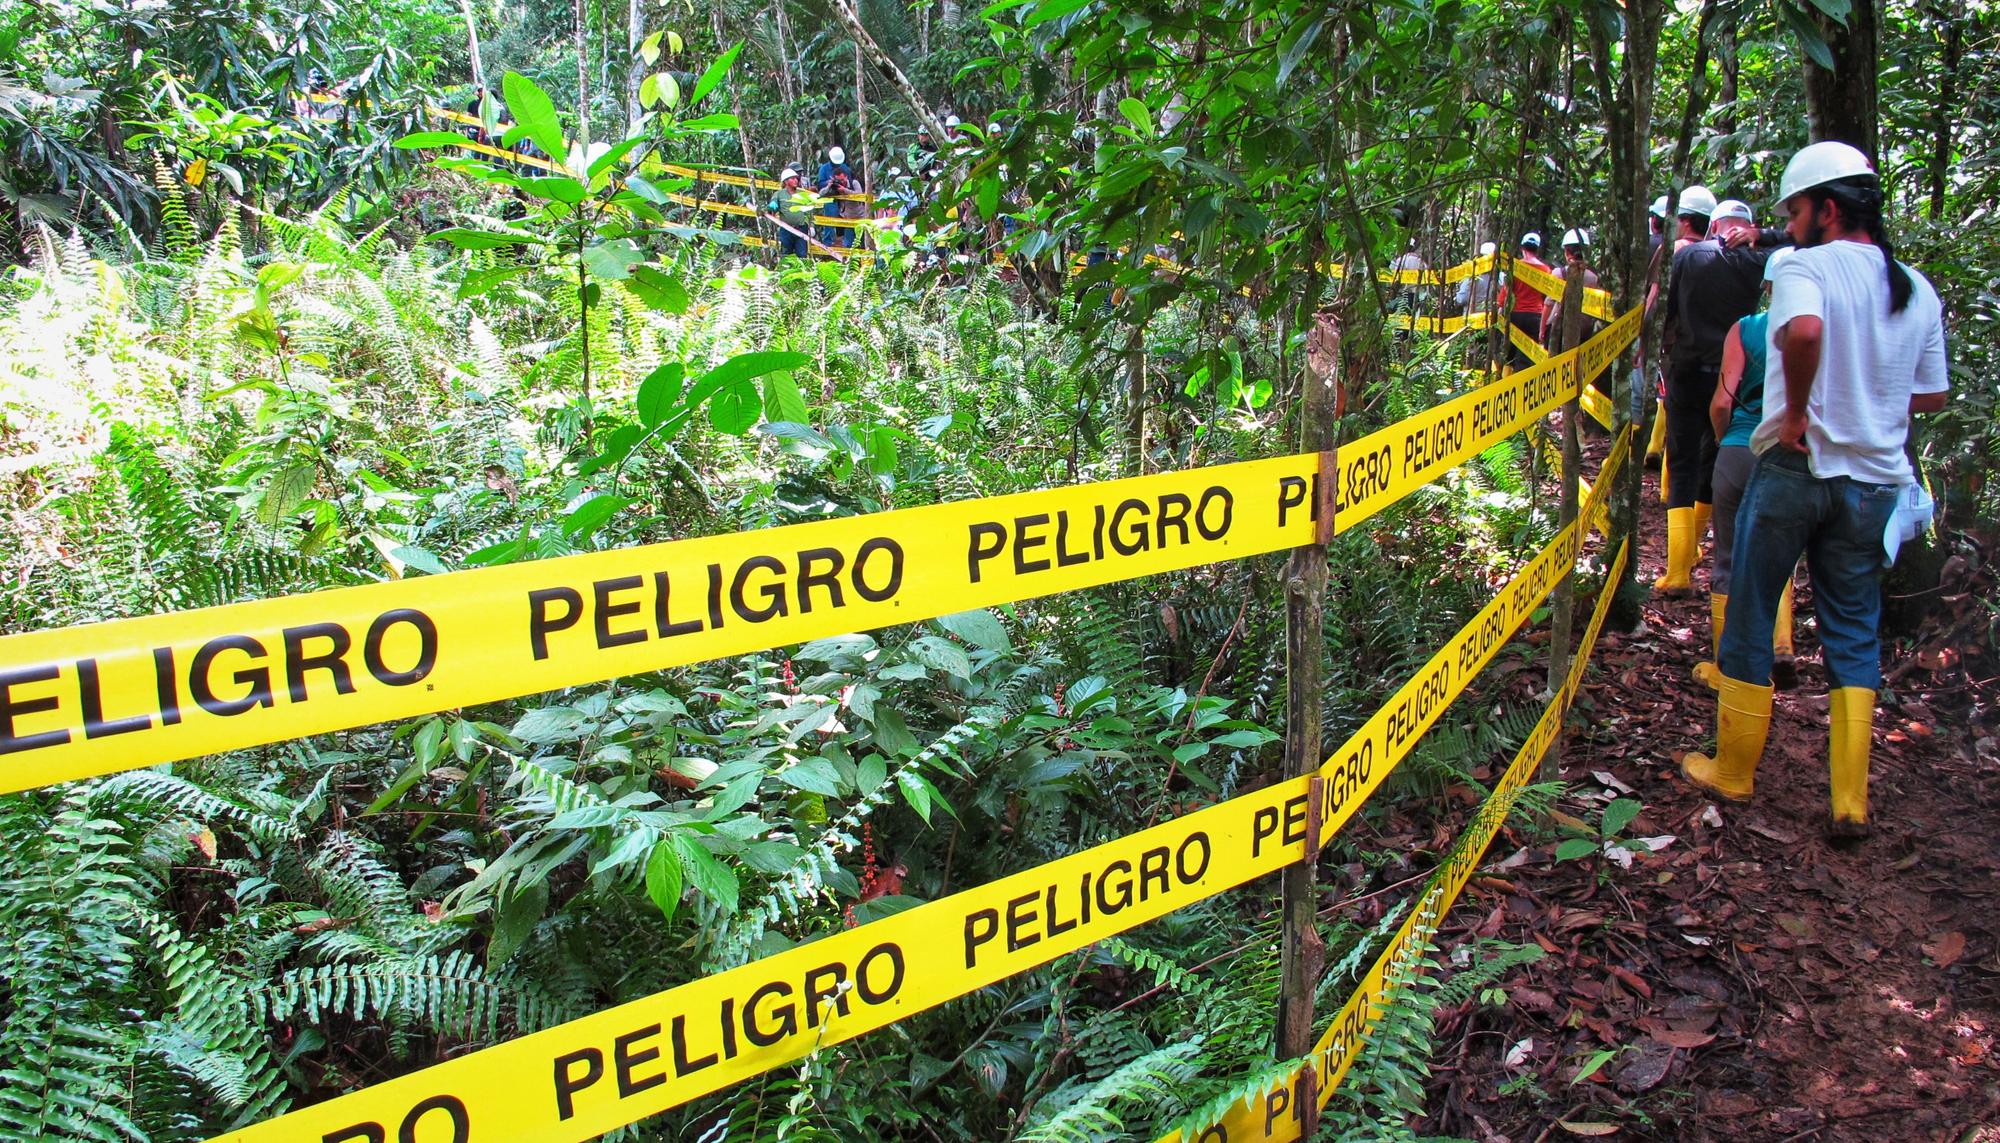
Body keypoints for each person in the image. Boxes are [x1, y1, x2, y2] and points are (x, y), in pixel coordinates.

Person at [1680, 141, 1949, 841]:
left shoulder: (1804, 268)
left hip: (1797, 469)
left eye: (1795, 209)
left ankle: (1734, 771)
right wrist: (1871, 401)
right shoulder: (1914, 287)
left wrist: (1798, 410)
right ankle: (1849, 801)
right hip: (1874, 486)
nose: (1789, 224)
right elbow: (1933, 393)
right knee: (1853, 630)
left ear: (1827, 208)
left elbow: (1802, 333)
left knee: (1750, 610)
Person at [1655, 194, 1773, 595]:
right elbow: (1802, 243)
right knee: (1712, 460)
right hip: (1733, 377)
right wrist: (1764, 237)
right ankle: (1690, 556)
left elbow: (1668, 310)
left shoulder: (1689, 257)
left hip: (1687, 369)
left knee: (1683, 461)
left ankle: (1678, 570)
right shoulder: (1759, 264)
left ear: (1712, 225)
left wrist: (1656, 352)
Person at [1694, 247, 1799, 692]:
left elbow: (1721, 401)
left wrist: (1725, 440)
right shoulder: (1824, 331)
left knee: (1728, 559)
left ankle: (1725, 666)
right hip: (1792, 456)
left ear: (1768, 287)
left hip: (1740, 446)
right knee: (1781, 558)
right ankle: (1781, 643)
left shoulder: (1748, 330)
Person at [1542, 228, 1601, 346]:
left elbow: (1549, 305)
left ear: (1567, 251)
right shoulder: (1594, 278)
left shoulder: (1559, 273)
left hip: (1559, 331)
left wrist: (1542, 330)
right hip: (1584, 333)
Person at [1504, 231, 1551, 372]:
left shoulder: (1515, 267)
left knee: (1509, 355)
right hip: (1535, 316)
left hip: (1516, 314)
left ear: (1522, 248)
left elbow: (1507, 291)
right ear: (1537, 249)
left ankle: (1505, 385)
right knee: (1526, 357)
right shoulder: (1546, 269)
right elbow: (1547, 294)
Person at [768, 168, 814, 258]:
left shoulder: (802, 194)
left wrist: (811, 226)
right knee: (786, 255)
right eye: (792, 178)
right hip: (786, 230)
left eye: (796, 178)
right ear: (785, 181)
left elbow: (809, 212)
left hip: (801, 229)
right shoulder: (779, 194)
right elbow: (772, 207)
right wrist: (772, 206)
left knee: (802, 255)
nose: (796, 180)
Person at [817, 147, 855, 249]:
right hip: (830, 198)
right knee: (830, 219)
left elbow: (851, 183)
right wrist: (829, 183)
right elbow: (819, 184)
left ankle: (848, 244)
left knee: (848, 220)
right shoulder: (824, 169)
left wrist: (843, 187)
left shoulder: (845, 168)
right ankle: (828, 243)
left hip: (844, 198)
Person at [1455, 241, 1500, 319]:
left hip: (1472, 319)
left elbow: (1462, 299)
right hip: (1492, 319)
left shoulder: (1471, 277)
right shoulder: (1500, 277)